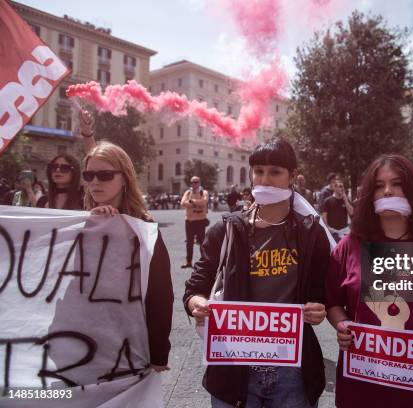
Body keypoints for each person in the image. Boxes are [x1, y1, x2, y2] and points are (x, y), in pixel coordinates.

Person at [184, 138, 331, 408]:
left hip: (292, 371)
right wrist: (198, 304)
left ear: (292, 177)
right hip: (233, 367)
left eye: (275, 172)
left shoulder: (311, 233)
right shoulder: (226, 230)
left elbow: (322, 291)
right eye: (259, 171)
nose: (265, 179)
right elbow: (195, 287)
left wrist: (317, 309)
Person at [326, 154, 413, 408]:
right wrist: (343, 325)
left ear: (412, 190)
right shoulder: (349, 246)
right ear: (370, 194)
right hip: (364, 388)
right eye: (379, 186)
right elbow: (333, 303)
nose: (388, 191)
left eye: (397, 183)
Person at [83, 141, 173, 372]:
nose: (95, 181)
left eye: (104, 175)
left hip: (130, 344)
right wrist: (86, 226)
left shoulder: (145, 228)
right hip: (81, 338)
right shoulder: (78, 222)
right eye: (89, 175)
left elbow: (160, 295)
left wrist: (158, 353)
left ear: (124, 178)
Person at [180, 176, 209, 269]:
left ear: (199, 182)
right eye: (192, 182)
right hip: (189, 221)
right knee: (189, 242)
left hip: (200, 221)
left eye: (196, 182)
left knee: (202, 242)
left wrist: (192, 202)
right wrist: (196, 203)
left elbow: (204, 202)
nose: (194, 184)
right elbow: (183, 203)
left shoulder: (204, 192)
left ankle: (204, 261)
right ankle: (188, 262)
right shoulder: (188, 192)